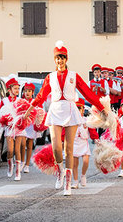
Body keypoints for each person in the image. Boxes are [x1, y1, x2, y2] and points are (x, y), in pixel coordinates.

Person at [26, 41, 108, 195]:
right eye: (57, 58)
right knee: (57, 148)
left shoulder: (74, 76)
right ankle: (60, 171)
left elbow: (88, 93)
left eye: (62, 57)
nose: (60, 60)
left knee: (69, 148)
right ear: (54, 59)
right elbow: (41, 95)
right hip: (56, 110)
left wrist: (102, 108)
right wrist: (30, 108)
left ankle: (68, 184)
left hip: (71, 110)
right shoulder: (50, 77)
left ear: (66, 59)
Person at [71, 98, 99, 188]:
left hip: (83, 143)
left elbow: (92, 130)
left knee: (86, 161)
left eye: (79, 109)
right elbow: (64, 131)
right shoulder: (70, 121)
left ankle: (83, 175)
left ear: (83, 110)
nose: (78, 111)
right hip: (74, 143)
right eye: (76, 109)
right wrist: (62, 140)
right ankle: (75, 181)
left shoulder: (86, 120)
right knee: (74, 164)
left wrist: (95, 138)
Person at [0, 77, 22, 179]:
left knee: (17, 150)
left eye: (18, 88)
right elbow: (1, 113)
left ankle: (18, 172)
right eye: (15, 88)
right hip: (9, 127)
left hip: (19, 127)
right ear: (9, 90)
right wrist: (5, 121)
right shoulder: (4, 101)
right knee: (10, 150)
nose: (17, 90)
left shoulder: (20, 100)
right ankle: (10, 167)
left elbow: (23, 112)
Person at [20, 82, 37, 173]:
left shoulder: (35, 102)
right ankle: (22, 161)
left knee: (30, 145)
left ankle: (27, 164)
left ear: (32, 92)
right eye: (25, 91)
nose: (27, 93)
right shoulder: (21, 101)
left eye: (29, 91)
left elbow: (38, 112)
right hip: (22, 125)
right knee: (22, 144)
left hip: (31, 125)